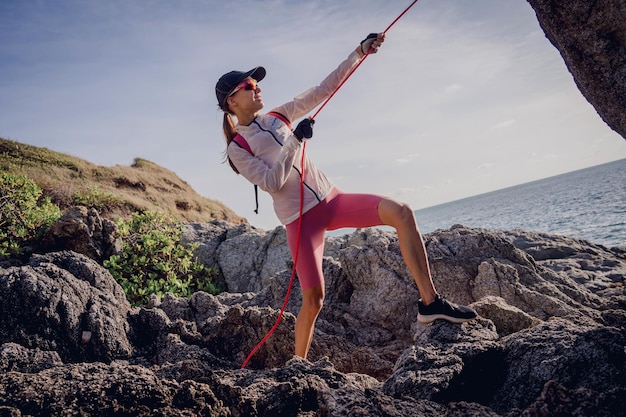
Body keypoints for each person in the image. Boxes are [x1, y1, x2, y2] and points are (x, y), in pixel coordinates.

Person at [216, 33, 477, 360]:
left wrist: (359, 52)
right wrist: (294, 142)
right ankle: (298, 366)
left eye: (256, 83)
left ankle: (430, 303)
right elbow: (271, 181)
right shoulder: (237, 148)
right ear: (232, 101)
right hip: (300, 222)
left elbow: (323, 89)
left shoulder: (280, 115)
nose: (257, 88)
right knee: (314, 300)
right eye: (249, 86)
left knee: (402, 212)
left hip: (332, 200)